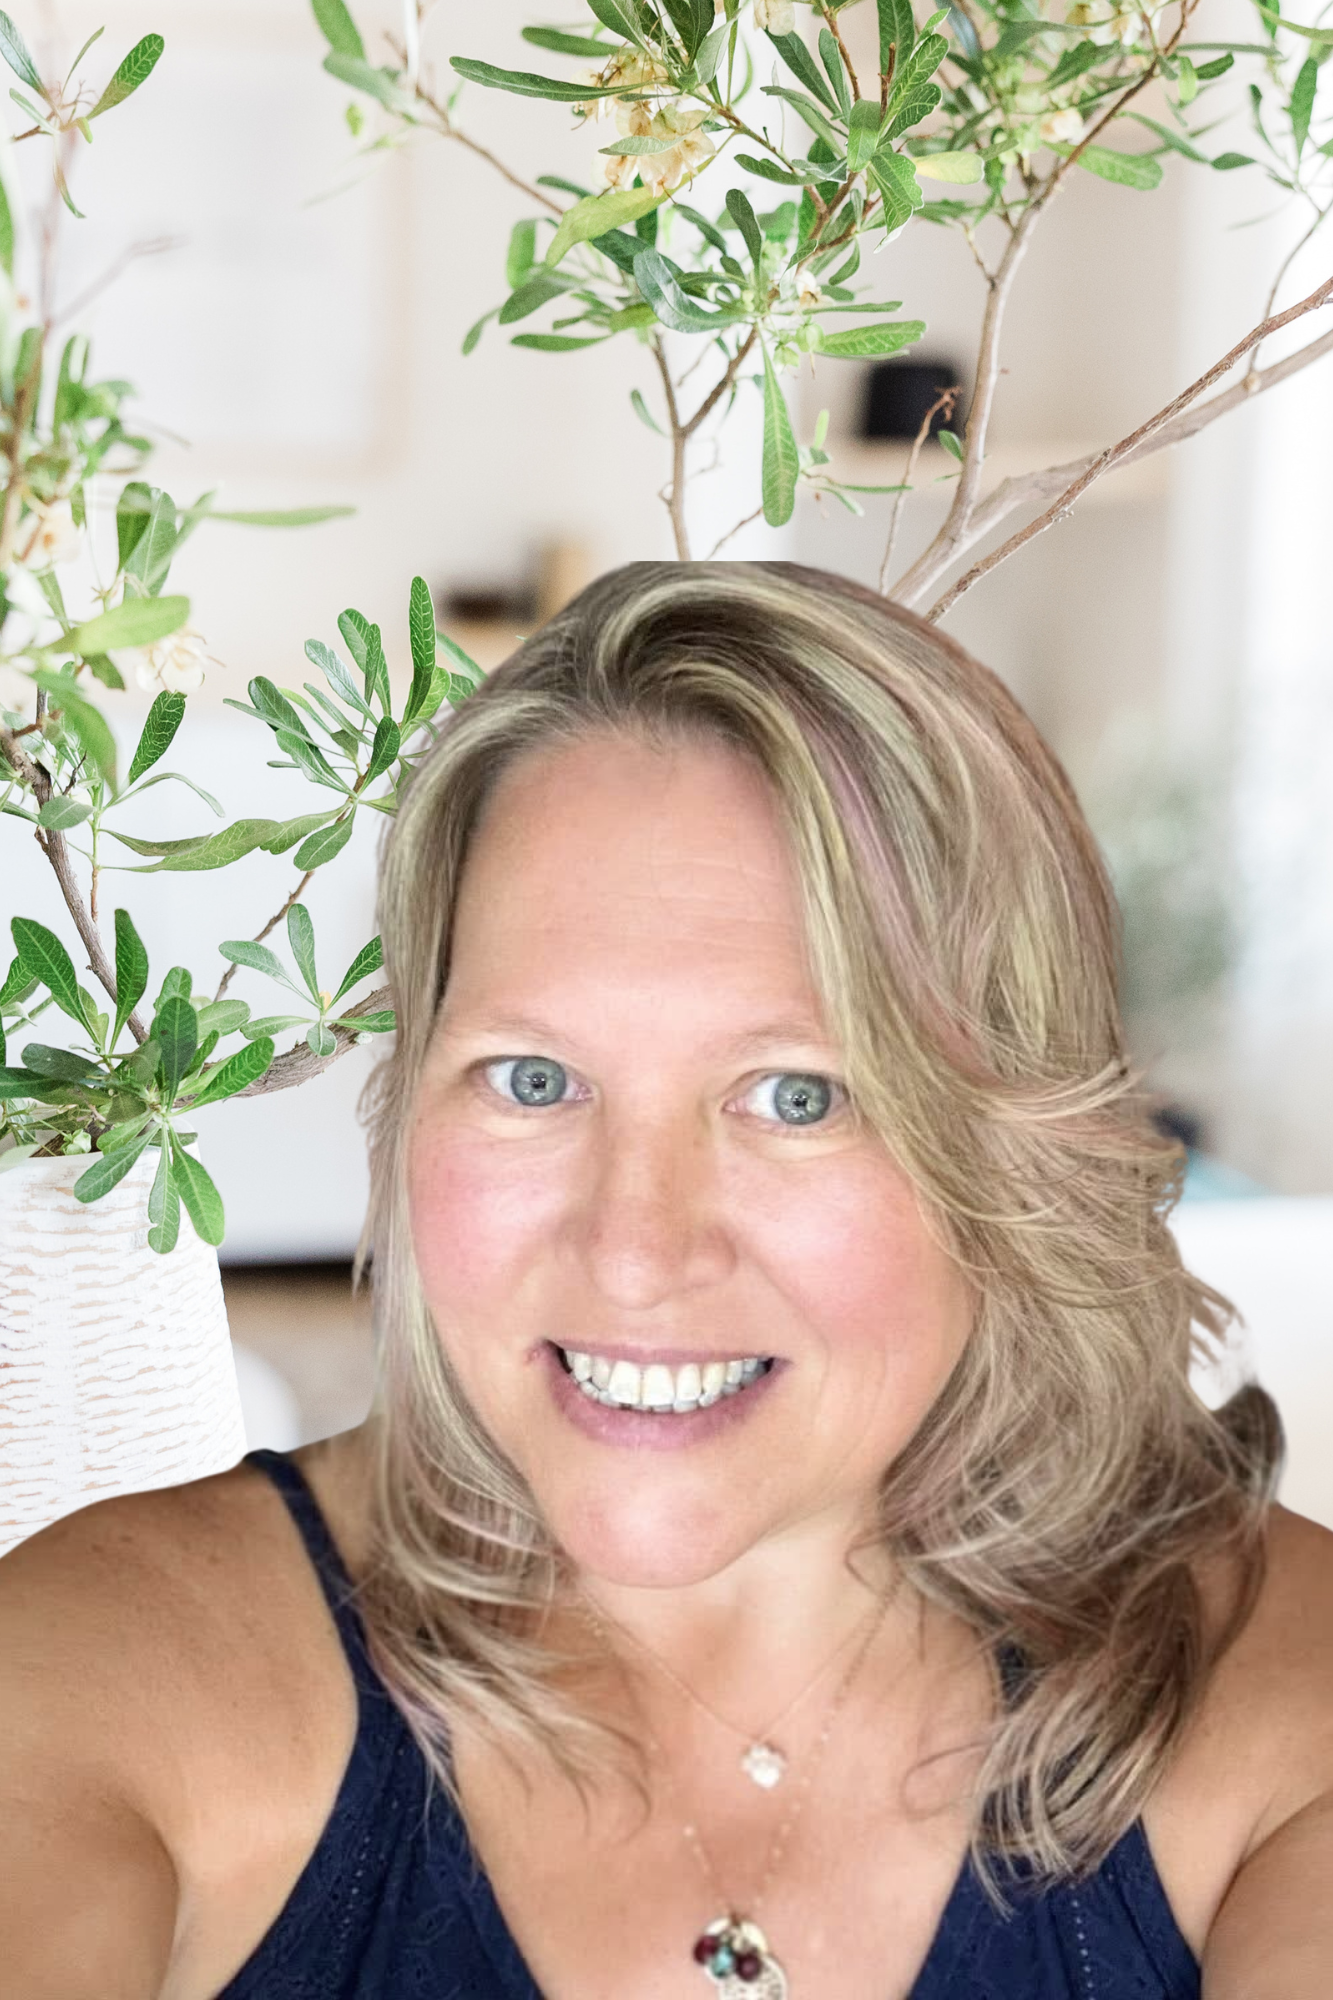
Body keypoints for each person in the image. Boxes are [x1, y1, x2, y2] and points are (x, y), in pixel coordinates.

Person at [3, 560, 1331, 2000]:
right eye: (533, 1078)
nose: (636, 1248)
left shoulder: (1278, 1706)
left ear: (1014, 1155)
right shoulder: (108, 1674)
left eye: (796, 1096)